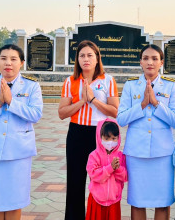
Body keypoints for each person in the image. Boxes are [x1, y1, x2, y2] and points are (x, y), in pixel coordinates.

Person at [0, 44, 43, 220]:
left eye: (13, 59)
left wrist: (12, 102)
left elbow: (36, 114)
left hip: (19, 152)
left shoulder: (31, 86)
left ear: (22, 63)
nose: (8, 63)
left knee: (14, 201)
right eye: (3, 58)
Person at [117, 44, 175, 220]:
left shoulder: (170, 86)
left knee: (162, 203)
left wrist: (156, 103)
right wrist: (142, 105)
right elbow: (121, 119)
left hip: (162, 154)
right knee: (137, 202)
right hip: (137, 154)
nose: (150, 62)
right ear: (140, 62)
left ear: (161, 62)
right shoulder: (131, 86)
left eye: (154, 58)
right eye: (145, 58)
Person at [58, 40, 119, 220]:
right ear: (77, 59)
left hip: (100, 135)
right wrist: (81, 102)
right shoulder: (70, 81)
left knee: (100, 182)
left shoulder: (107, 80)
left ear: (97, 58)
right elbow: (62, 113)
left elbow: (115, 111)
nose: (86, 59)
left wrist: (93, 100)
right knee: (75, 182)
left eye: (90, 55)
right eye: (82, 55)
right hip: (77, 133)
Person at [86, 118, 127, 220]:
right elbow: (94, 174)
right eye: (107, 138)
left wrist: (117, 169)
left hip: (114, 199)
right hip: (96, 199)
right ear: (100, 137)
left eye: (114, 138)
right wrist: (110, 168)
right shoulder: (94, 155)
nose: (110, 142)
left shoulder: (121, 156)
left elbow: (125, 176)